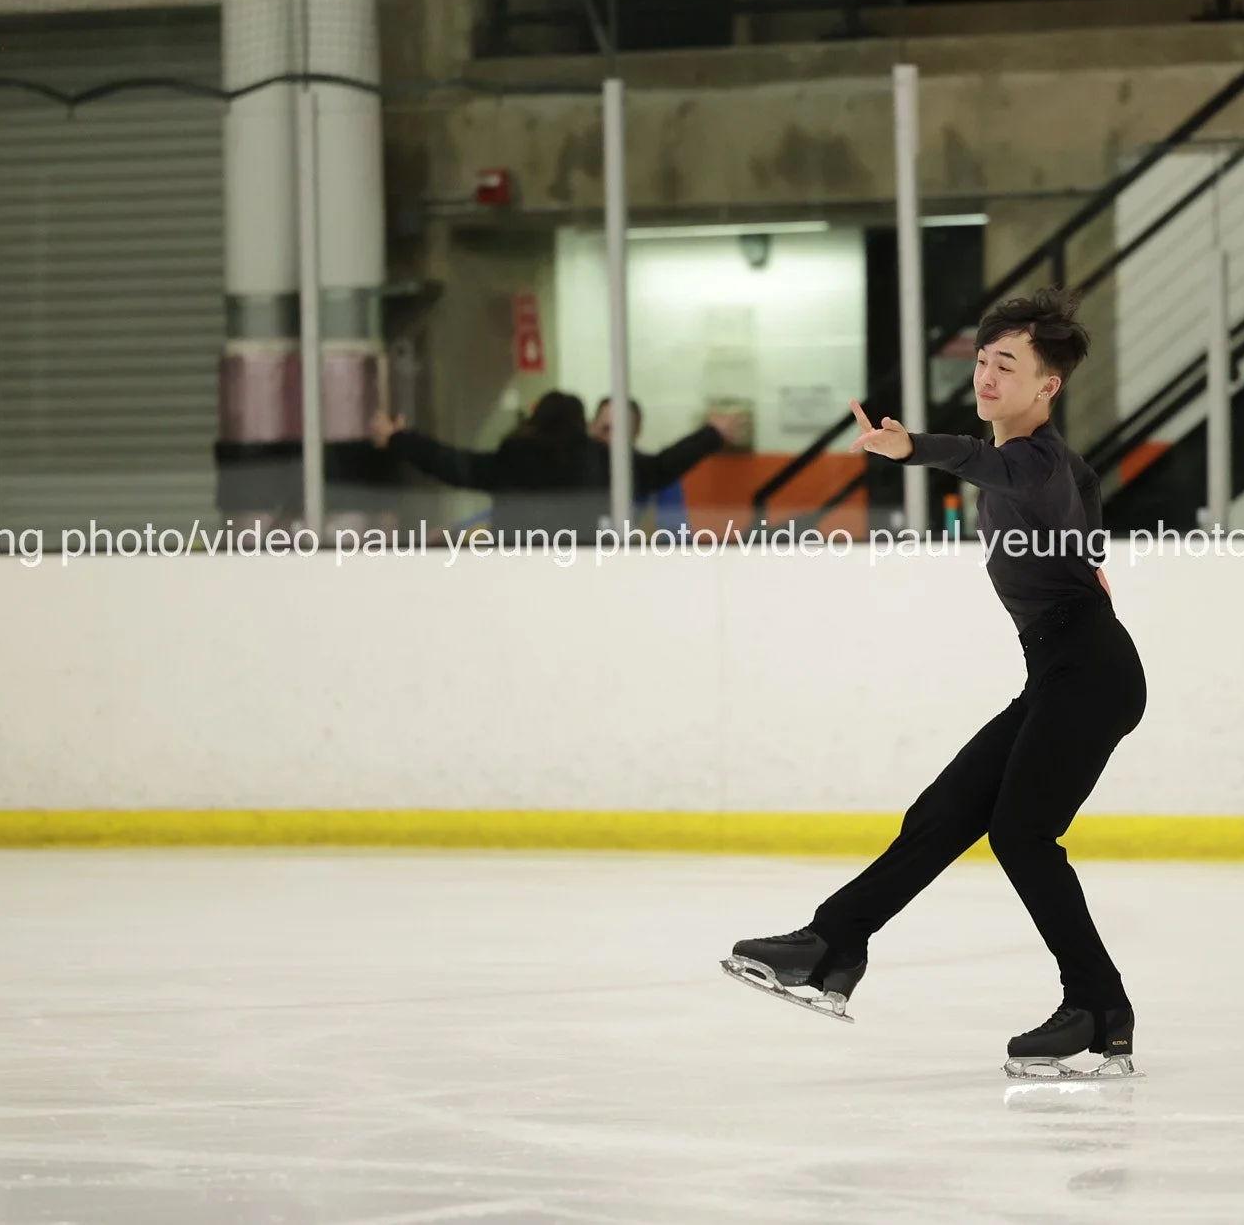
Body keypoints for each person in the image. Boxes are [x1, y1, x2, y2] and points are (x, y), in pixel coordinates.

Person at [722, 288, 1149, 1079]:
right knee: (945, 811)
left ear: (1047, 385)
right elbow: (1083, 498)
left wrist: (909, 445)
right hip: (1062, 670)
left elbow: (982, 460)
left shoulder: (1033, 460)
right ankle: (831, 945)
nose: (987, 376)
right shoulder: (1054, 469)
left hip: (1090, 670)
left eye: (1007, 365)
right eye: (983, 360)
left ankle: (1099, 1008)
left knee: (1022, 835)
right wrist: (1087, 558)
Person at [373, 390, 739, 541]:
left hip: (514, 577)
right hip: (586, 578)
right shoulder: (602, 464)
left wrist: (397, 439)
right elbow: (662, 467)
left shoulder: (511, 462)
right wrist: (711, 434)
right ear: (583, 426)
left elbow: (449, 463)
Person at [590, 397, 692, 535]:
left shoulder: (660, 476)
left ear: (637, 431)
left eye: (621, 431)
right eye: (606, 429)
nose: (612, 438)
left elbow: (678, 538)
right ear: (592, 428)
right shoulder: (578, 472)